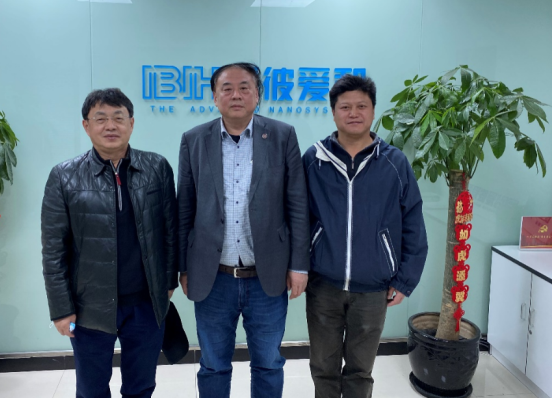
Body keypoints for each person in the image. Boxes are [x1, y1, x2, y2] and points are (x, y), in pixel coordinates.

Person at [177, 62, 310, 398]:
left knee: (268, 364)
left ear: (257, 94)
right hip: (213, 277)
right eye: (227, 88)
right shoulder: (194, 139)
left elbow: (297, 204)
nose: (236, 95)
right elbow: (185, 208)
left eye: (244, 87)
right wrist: (183, 267)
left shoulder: (282, 135)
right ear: (214, 96)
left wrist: (299, 265)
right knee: (213, 364)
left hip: (267, 276)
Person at [41, 88, 178, 398]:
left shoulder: (157, 168)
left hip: (146, 304)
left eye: (118, 117)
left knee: (141, 386)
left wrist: (167, 284)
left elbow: (170, 232)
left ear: (132, 123)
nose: (110, 126)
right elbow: (53, 250)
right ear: (86, 126)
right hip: (88, 307)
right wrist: (61, 309)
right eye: (100, 118)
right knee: (91, 390)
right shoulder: (64, 176)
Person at [302, 75, 428, 398]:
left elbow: (413, 222)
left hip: (373, 289)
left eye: (362, 106)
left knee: (360, 370)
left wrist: (405, 280)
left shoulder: (394, 162)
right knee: (323, 367)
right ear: (333, 112)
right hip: (323, 286)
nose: (354, 113)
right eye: (345, 107)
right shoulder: (314, 160)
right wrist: (299, 268)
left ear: (373, 111)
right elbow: (298, 219)